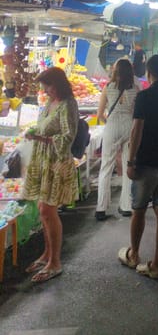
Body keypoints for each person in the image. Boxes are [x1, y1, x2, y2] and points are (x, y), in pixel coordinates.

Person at [118, 54, 158, 280]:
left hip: (145, 162)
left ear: (148, 72)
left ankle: (134, 254)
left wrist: (131, 160)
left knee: (138, 209)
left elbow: (137, 130)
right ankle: (157, 264)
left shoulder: (144, 97)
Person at [23, 67, 79, 283]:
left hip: (56, 162)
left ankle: (55, 262)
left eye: (48, 86)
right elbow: (45, 127)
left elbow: (67, 137)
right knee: (42, 209)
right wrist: (35, 132)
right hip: (44, 160)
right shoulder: (50, 103)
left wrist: (41, 139)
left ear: (58, 84)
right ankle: (47, 254)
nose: (45, 91)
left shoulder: (68, 104)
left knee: (48, 210)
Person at [95, 58, 139, 220]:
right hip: (129, 126)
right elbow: (137, 113)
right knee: (128, 164)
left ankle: (101, 208)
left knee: (106, 166)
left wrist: (109, 122)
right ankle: (126, 206)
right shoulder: (135, 89)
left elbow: (100, 115)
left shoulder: (108, 88)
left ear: (115, 71)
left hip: (112, 126)